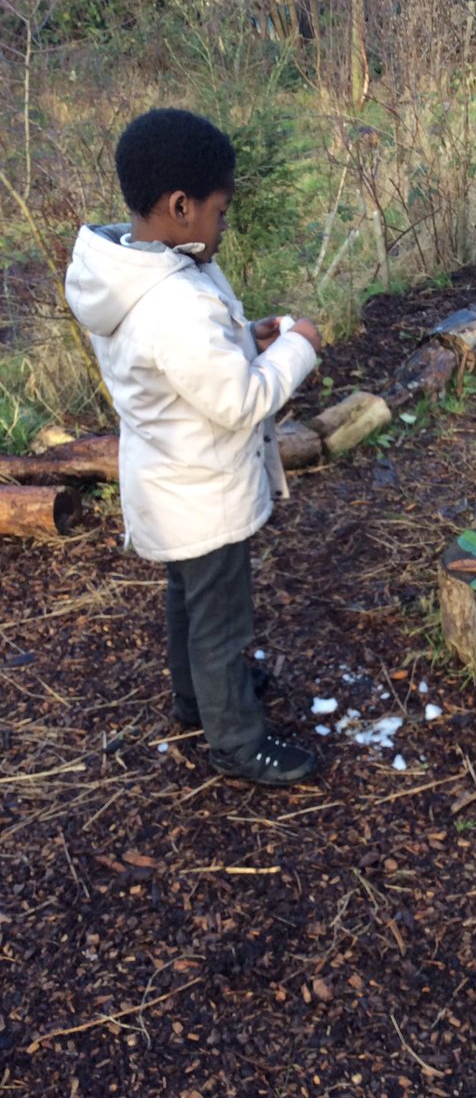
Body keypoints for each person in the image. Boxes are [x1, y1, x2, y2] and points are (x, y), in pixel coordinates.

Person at [65, 107, 321, 786]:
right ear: (180, 207)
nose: (224, 223)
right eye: (220, 209)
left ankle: (195, 700)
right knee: (220, 622)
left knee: (189, 602)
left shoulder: (138, 268)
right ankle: (235, 741)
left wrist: (249, 338)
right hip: (203, 494)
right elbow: (237, 401)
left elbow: (193, 368)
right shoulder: (171, 300)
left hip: (168, 485)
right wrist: (299, 347)